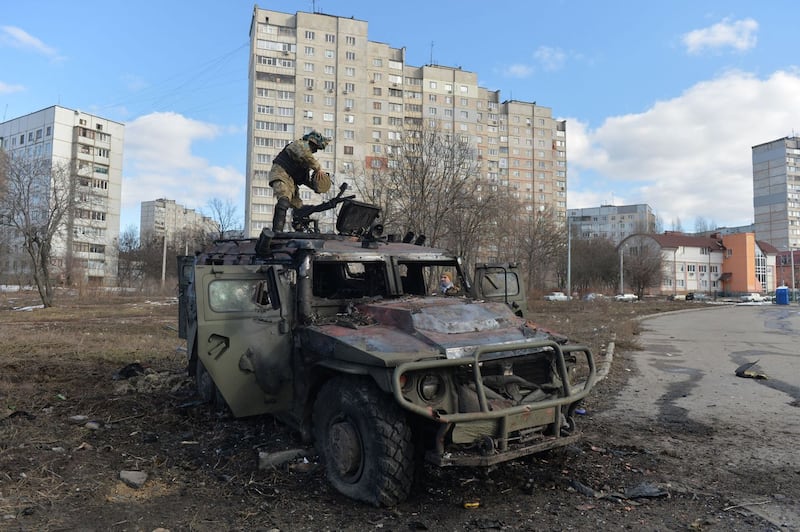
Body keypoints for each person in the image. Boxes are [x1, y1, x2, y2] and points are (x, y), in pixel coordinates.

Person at [269, 130, 332, 231]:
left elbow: (304, 179)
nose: (315, 151)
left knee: (298, 207)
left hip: (291, 181)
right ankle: (277, 231)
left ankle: (299, 228)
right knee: (284, 199)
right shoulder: (299, 145)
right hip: (281, 172)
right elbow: (305, 154)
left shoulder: (305, 163)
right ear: (312, 142)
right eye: (315, 148)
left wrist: (317, 186)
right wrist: (318, 168)